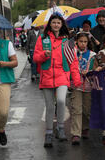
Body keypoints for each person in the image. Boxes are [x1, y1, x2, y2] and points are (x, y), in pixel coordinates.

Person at [33, 14, 82, 148]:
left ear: (62, 25)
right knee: (49, 106)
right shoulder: (42, 39)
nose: (56, 25)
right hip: (47, 76)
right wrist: (44, 54)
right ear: (50, 24)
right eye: (53, 22)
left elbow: (73, 61)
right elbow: (36, 57)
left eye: (58, 23)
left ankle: (60, 128)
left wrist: (76, 79)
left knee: (61, 101)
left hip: (62, 76)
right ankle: (48, 133)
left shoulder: (68, 41)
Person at [69, 32, 96, 145]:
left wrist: (89, 72)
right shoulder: (71, 53)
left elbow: (95, 69)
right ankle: (76, 133)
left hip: (89, 85)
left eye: (85, 42)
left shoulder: (93, 55)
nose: (83, 44)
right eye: (81, 41)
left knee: (87, 110)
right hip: (76, 84)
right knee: (76, 109)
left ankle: (85, 127)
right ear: (76, 42)